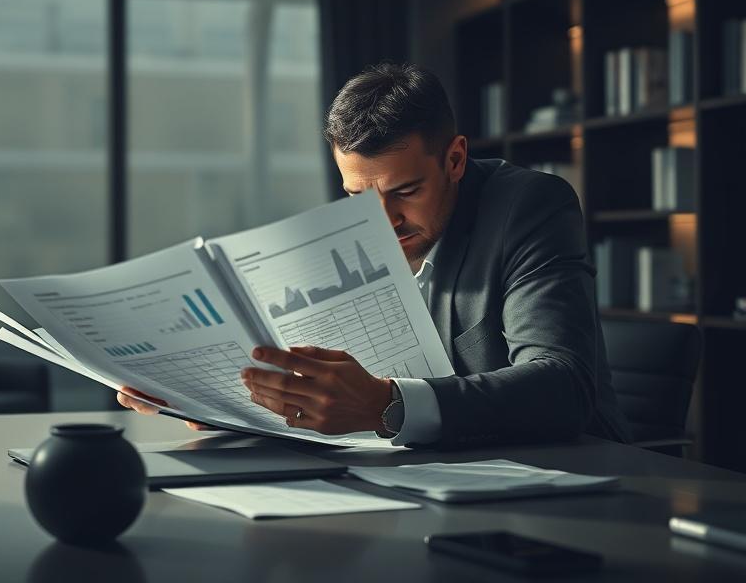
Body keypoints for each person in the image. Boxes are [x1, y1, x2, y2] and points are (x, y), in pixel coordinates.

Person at [119, 62, 629, 447]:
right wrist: (218, 401)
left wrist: (387, 404)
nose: (382, 222)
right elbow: (332, 393)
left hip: (568, 474)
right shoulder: (350, 230)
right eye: (358, 197)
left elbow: (563, 386)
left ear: (455, 159)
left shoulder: (530, 206)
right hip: (415, 471)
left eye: (406, 191)